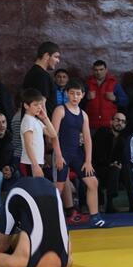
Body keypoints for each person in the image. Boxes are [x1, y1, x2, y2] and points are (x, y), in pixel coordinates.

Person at [52, 80, 106, 227]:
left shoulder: (83, 114)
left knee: (93, 182)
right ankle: (50, 220)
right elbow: (53, 135)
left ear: (82, 95)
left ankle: (95, 217)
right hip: (62, 154)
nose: (75, 97)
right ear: (66, 94)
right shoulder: (60, 110)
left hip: (77, 154)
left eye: (78, 94)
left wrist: (88, 161)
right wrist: (58, 156)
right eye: (71, 93)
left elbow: (87, 138)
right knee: (59, 188)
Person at [93, 112, 128, 213]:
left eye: (123, 121)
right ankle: (107, 203)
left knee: (118, 169)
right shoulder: (102, 132)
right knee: (114, 170)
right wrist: (110, 163)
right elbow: (97, 153)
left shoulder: (122, 139)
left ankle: (111, 204)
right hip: (96, 166)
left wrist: (118, 163)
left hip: (111, 168)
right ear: (111, 121)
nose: (120, 123)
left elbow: (122, 157)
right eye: (117, 120)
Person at [19, 89, 57, 178]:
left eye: (40, 104)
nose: (39, 107)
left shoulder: (35, 120)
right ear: (26, 106)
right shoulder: (28, 120)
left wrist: (45, 118)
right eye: (35, 105)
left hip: (36, 162)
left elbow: (53, 134)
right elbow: (28, 145)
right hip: (31, 162)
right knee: (34, 186)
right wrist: (35, 165)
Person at [85, 60, 128, 130]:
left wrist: (115, 98)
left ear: (106, 70)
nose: (98, 72)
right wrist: (86, 98)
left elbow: (125, 101)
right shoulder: (87, 84)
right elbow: (79, 103)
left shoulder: (114, 84)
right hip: (91, 124)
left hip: (109, 125)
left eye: (101, 69)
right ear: (93, 71)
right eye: (96, 70)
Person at [22, 42, 61, 117]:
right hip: (40, 123)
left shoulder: (33, 72)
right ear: (46, 56)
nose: (58, 60)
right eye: (56, 57)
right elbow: (42, 105)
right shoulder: (42, 75)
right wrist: (47, 123)